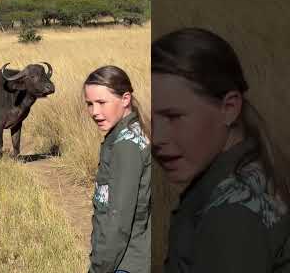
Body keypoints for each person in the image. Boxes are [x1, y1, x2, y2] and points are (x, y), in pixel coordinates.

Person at [152, 27, 290, 273]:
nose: (157, 138)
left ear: (229, 108)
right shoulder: (257, 169)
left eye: (173, 117)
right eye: (152, 120)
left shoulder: (230, 216)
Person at [84, 65, 151, 273]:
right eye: (90, 104)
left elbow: (118, 220)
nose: (95, 112)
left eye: (102, 103)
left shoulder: (126, 146)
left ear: (125, 99)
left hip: (124, 263)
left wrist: (99, 268)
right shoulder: (135, 132)